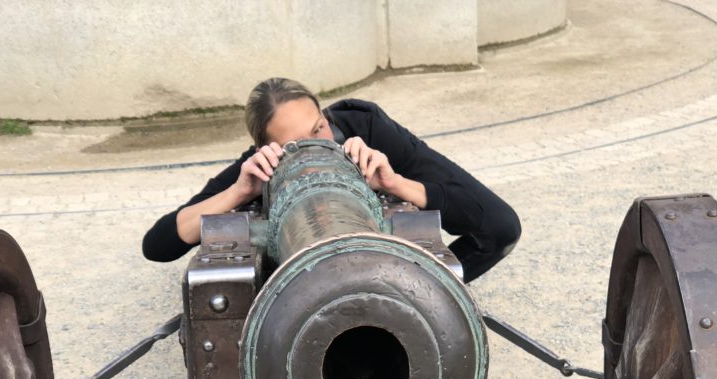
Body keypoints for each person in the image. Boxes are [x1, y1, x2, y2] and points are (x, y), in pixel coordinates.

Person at [142, 77, 520, 282]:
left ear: (325, 114)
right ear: (267, 148)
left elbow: (498, 225)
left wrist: (396, 185)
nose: (317, 144)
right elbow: (158, 244)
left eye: (318, 128)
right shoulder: (260, 167)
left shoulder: (367, 129)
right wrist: (239, 191)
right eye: (297, 143)